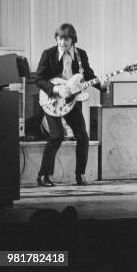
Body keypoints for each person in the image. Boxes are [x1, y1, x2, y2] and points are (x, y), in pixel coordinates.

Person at [35, 23, 108, 186]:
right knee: (57, 135)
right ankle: (43, 175)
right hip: (52, 100)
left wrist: (101, 85)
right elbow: (38, 79)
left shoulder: (80, 55)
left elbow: (88, 75)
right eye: (59, 38)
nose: (62, 42)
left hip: (71, 101)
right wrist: (55, 89)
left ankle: (80, 174)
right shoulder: (48, 54)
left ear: (72, 40)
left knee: (82, 135)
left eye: (66, 39)